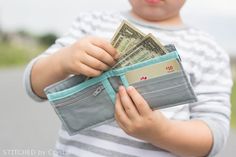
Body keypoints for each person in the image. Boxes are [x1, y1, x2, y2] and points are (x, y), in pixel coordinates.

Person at [23, 0, 233, 156]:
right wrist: (62, 60)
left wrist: (161, 132)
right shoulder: (92, 23)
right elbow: (34, 86)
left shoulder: (208, 50)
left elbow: (213, 135)